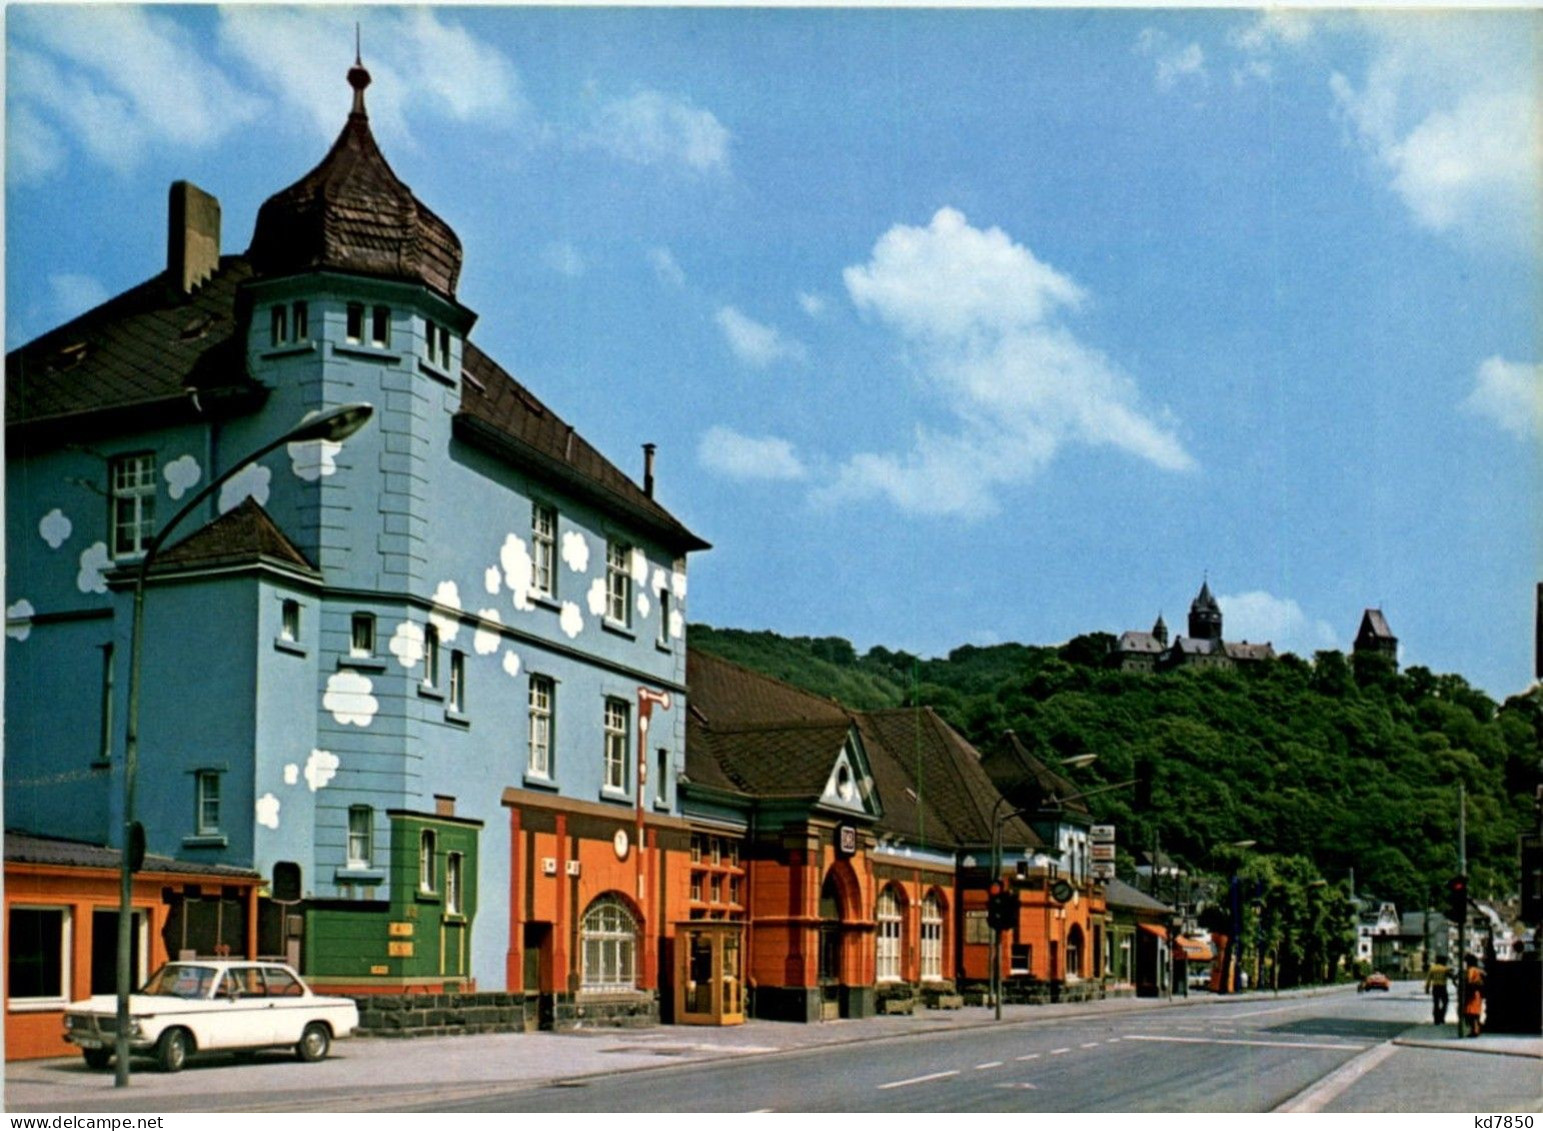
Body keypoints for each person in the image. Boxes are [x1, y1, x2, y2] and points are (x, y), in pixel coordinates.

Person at [1462, 954, 1484, 1037]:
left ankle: (1475, 1030)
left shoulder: (1471, 970)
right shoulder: (1478, 970)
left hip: (1472, 993)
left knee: (1470, 1013)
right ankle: (1476, 1029)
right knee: (1475, 1013)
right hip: (1477, 993)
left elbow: (1469, 981)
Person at [1425, 956, 1450, 1024]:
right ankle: (1441, 1016)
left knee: (1436, 1003)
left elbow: (1428, 979)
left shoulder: (1432, 968)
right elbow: (1451, 976)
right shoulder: (1445, 969)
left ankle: (1436, 1019)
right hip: (1443, 987)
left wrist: (1427, 988)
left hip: (1435, 987)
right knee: (1445, 1002)